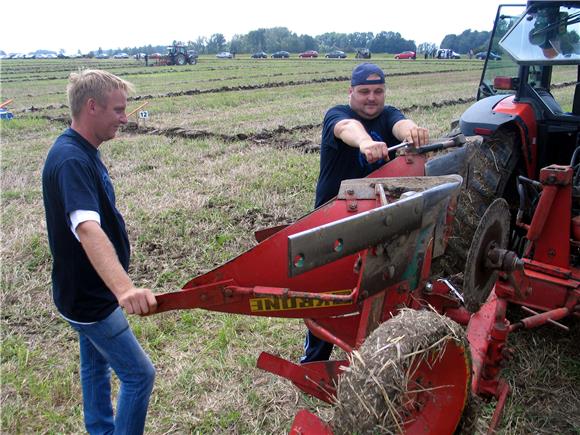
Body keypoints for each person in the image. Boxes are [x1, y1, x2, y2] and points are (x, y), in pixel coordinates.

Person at [42, 69, 157, 434]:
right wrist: (124, 289)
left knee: (95, 365)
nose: (125, 118)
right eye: (118, 110)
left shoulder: (78, 149)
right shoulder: (72, 160)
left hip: (80, 293)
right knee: (139, 375)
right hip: (92, 299)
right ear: (92, 107)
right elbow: (87, 229)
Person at [301, 63, 429, 363]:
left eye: (378, 91)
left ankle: (371, 355)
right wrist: (366, 143)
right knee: (329, 292)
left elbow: (401, 124)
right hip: (334, 217)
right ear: (351, 92)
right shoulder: (338, 115)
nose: (371, 98)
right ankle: (315, 361)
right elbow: (348, 129)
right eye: (364, 91)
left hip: (378, 218)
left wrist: (413, 132)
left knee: (378, 287)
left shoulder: (389, 115)